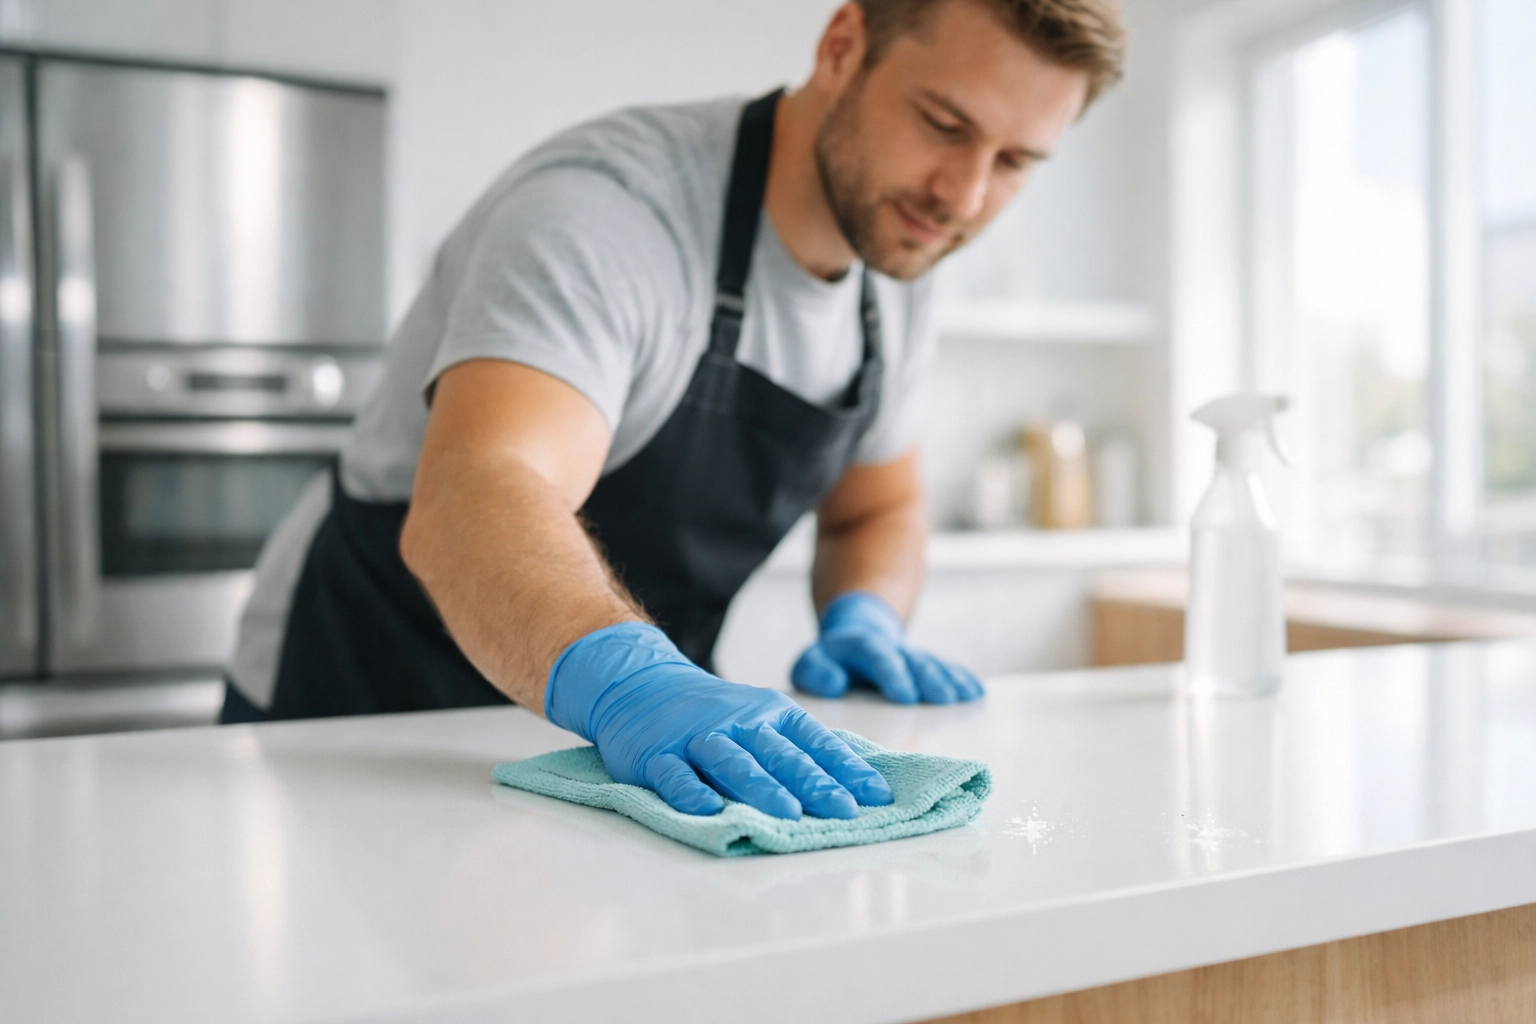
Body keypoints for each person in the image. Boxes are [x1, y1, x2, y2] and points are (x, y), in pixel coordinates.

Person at [222, 0, 1125, 821]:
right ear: (842, 47)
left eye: (1013, 163)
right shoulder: (608, 213)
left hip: (622, 765)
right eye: (942, 124)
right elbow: (475, 493)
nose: (962, 196)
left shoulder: (897, 267)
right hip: (363, 711)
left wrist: (866, 615)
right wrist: (633, 684)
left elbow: (875, 508)